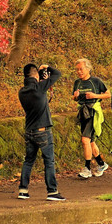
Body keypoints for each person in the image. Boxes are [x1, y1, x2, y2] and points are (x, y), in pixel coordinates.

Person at [18, 62, 65, 201]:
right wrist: (47, 68)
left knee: (29, 161)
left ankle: (23, 190)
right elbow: (57, 74)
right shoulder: (40, 87)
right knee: (49, 161)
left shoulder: (22, 91)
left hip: (29, 131)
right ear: (35, 74)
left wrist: (41, 76)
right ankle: (52, 191)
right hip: (42, 131)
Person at [71, 58, 111, 179]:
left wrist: (95, 95)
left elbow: (108, 94)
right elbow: (75, 98)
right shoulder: (77, 83)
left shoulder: (96, 81)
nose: (79, 72)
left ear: (88, 69)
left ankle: (87, 168)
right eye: (77, 69)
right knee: (90, 141)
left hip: (93, 113)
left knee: (85, 140)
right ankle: (102, 164)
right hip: (83, 113)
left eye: (81, 69)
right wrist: (75, 97)